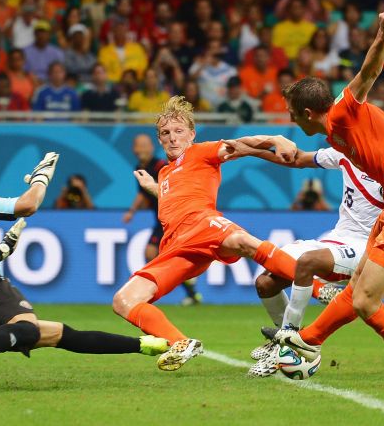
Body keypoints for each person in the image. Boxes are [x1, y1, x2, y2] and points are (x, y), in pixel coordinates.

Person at [264, 10, 384, 389]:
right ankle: (306, 341)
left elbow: (367, 74)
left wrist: (382, 34)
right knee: (356, 289)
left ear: (307, 114)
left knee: (367, 301)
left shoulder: (341, 114)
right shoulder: (338, 136)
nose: (293, 123)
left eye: (293, 116)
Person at [0, 155, 169, 394]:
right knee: (28, 329)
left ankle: (145, 345)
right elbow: (28, 205)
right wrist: (41, 178)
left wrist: (1, 251)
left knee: (60, 334)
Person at [112, 96, 302, 371]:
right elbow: (171, 196)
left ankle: (318, 286)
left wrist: (275, 138)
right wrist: (153, 186)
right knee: (123, 301)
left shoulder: (200, 152)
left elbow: (239, 146)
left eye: (179, 131)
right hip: (177, 246)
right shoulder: (165, 173)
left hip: (203, 225)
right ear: (159, 139)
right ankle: (181, 343)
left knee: (242, 241)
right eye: (166, 133)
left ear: (191, 134)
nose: (172, 138)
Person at [223, 143, 384, 377]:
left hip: (365, 247)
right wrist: (248, 151)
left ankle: (287, 345)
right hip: (336, 238)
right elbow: (297, 159)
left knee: (308, 262)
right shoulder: (344, 152)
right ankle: (290, 336)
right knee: (265, 282)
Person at [122, 134, 203, 306]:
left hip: (173, 216)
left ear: (152, 147)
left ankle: (150, 294)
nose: (142, 149)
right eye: (139, 145)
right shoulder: (139, 167)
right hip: (162, 219)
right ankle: (190, 289)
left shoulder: (161, 166)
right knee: (161, 255)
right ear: (134, 149)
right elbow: (143, 194)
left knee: (152, 253)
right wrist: (132, 211)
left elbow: (174, 186)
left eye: (145, 145)